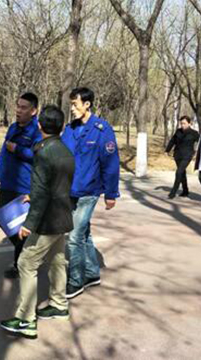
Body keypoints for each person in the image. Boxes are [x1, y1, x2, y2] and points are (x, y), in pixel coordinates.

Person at [0, 105, 75, 340]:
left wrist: (29, 224)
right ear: (61, 127)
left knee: (26, 263)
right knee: (57, 261)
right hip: (63, 216)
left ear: (40, 125)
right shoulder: (65, 150)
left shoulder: (42, 152)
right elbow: (57, 185)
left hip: (47, 220)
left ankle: (26, 320)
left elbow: (42, 193)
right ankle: (59, 305)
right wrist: (34, 195)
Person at [61, 87, 120, 300]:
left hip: (89, 191)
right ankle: (92, 272)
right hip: (71, 189)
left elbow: (111, 164)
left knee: (74, 237)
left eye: (75, 104)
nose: (72, 109)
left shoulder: (102, 129)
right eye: (71, 104)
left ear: (87, 104)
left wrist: (111, 193)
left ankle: (76, 281)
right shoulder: (69, 129)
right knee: (83, 233)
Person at [0, 92, 43, 279]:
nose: (18, 110)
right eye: (18, 106)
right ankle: (28, 252)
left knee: (18, 225)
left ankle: (20, 264)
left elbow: (39, 156)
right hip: (8, 182)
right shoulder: (13, 128)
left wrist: (18, 149)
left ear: (33, 111)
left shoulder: (37, 132)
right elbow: (3, 153)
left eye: (23, 107)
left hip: (24, 186)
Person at [165, 116, 200, 199]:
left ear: (189, 123)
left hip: (187, 155)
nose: (182, 125)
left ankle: (173, 192)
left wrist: (196, 153)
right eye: (181, 123)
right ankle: (185, 190)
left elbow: (200, 143)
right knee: (182, 173)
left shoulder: (194, 133)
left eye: (184, 123)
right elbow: (172, 141)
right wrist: (167, 150)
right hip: (177, 155)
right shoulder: (178, 131)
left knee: (179, 172)